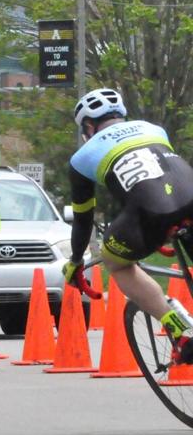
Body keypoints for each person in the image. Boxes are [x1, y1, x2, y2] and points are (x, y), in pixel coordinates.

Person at [64, 88, 193, 363]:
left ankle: (180, 327)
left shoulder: (81, 158)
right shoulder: (154, 129)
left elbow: (84, 218)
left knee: (117, 264)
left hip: (148, 213)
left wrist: (76, 260)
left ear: (88, 126)